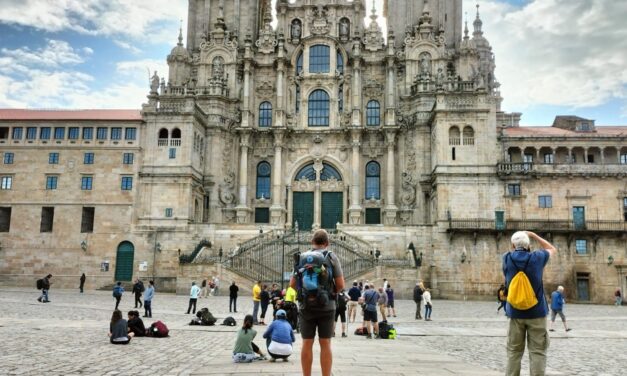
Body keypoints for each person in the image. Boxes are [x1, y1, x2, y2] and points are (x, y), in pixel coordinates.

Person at [290, 229, 345, 376]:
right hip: (327, 306)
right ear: (327, 243)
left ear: (311, 242)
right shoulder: (331, 257)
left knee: (307, 343)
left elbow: (292, 285)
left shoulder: (302, 258)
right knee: (325, 343)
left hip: (306, 306)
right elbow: (340, 285)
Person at [503, 231, 556, 376]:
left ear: (513, 245)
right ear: (528, 245)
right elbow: (552, 249)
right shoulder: (537, 257)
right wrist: (533, 235)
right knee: (538, 352)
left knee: (514, 352)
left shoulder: (507, 258)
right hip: (537, 313)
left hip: (515, 312)